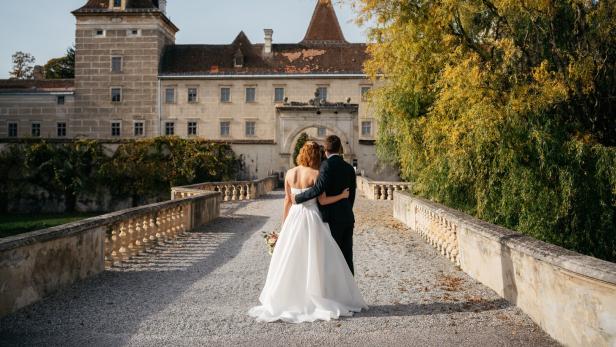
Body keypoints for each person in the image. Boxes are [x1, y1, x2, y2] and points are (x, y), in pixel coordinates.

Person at [248, 141, 367, 323]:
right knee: (316, 259)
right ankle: (318, 293)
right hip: (312, 218)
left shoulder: (289, 173)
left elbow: (288, 201)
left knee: (291, 258)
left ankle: (289, 298)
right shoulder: (316, 174)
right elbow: (324, 201)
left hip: (293, 219)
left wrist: (284, 225)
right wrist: (343, 196)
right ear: (316, 155)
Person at [294, 135, 357, 275]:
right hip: (347, 217)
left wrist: (298, 198)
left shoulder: (325, 166)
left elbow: (318, 189)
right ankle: (349, 290)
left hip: (332, 219)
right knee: (347, 256)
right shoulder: (349, 168)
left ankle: (335, 291)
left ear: (325, 150)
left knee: (332, 257)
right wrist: (346, 209)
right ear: (340, 149)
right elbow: (352, 195)